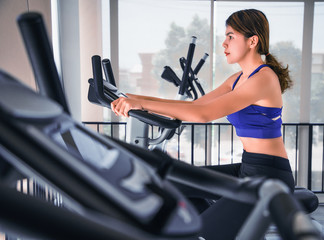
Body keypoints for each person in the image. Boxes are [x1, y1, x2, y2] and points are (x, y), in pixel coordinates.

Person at [112, 9, 294, 239]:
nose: (224, 43)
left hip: (269, 175)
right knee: (176, 186)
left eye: (231, 36)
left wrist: (138, 103)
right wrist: (135, 98)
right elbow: (196, 105)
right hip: (247, 168)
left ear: (252, 41)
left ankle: (216, 229)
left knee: (206, 229)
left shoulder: (264, 78)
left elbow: (203, 113)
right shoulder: (237, 79)